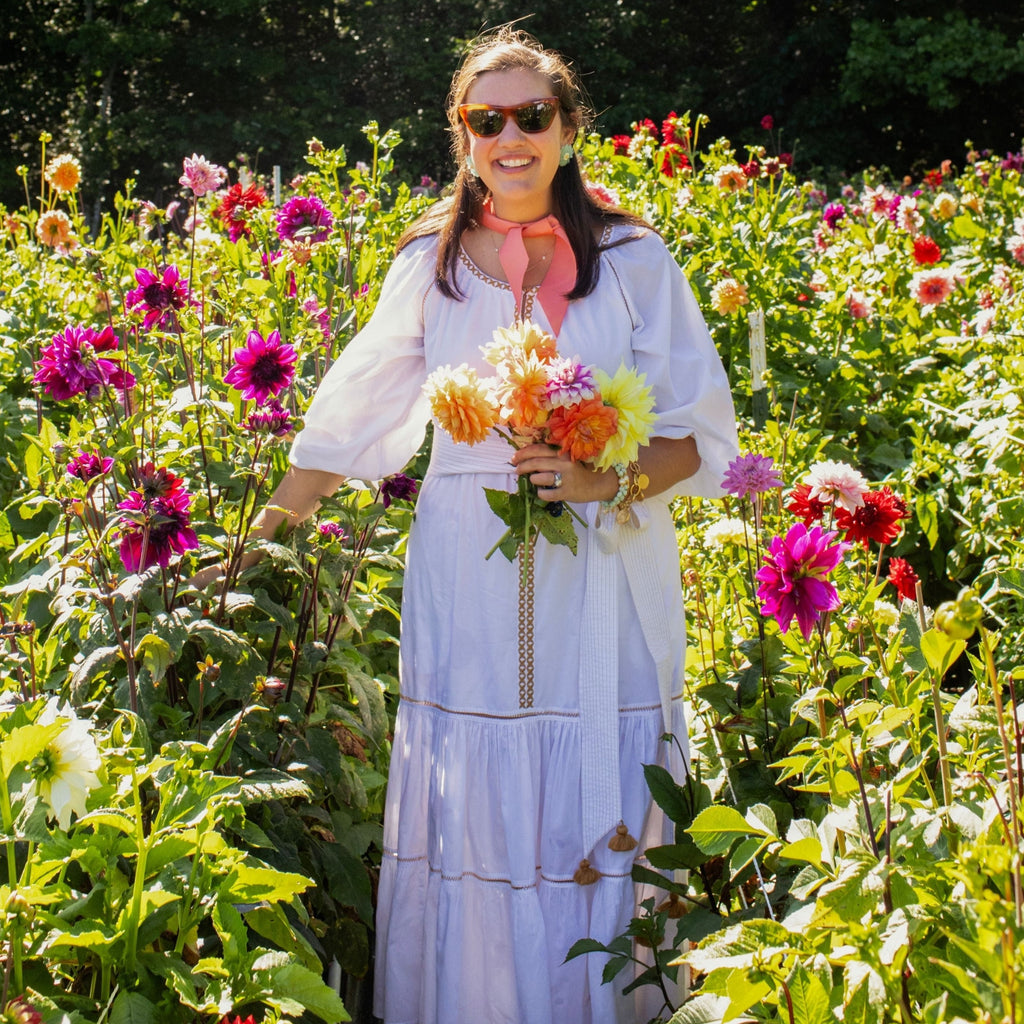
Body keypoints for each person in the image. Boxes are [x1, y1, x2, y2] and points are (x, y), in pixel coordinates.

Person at [239, 27, 737, 1024]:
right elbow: (351, 417)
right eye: (486, 119)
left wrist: (607, 481)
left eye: (532, 117)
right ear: (461, 134)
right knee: (472, 797)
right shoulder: (431, 263)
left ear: (567, 128)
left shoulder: (635, 258)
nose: (511, 137)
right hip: (466, 579)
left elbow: (700, 436)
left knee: (601, 784)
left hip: (603, 588)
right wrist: (261, 535)